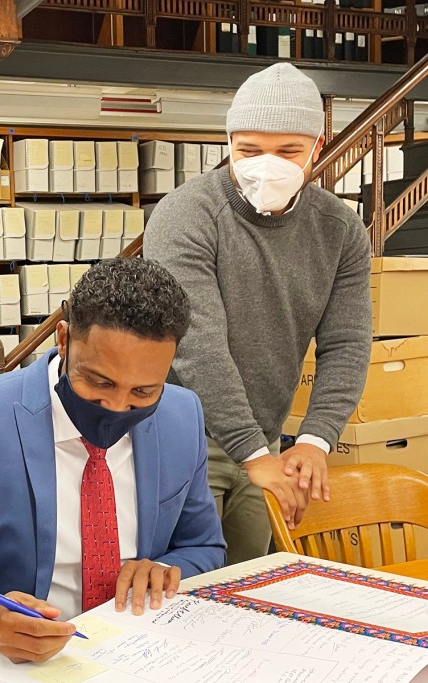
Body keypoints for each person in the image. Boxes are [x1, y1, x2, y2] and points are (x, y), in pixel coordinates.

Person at [0, 257, 225, 664]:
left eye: (143, 393)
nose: (117, 407)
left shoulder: (181, 416)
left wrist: (167, 570)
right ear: (63, 339)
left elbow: (203, 545)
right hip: (4, 658)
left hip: (139, 651)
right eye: (98, 381)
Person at [145, 62, 372, 565]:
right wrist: (253, 453)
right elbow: (197, 342)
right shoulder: (188, 213)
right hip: (177, 441)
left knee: (247, 583)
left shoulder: (340, 229)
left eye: (288, 151)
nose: (266, 163)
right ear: (228, 142)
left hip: (267, 439)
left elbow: (348, 342)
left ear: (317, 145)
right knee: (174, 591)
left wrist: (315, 439)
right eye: (248, 150)